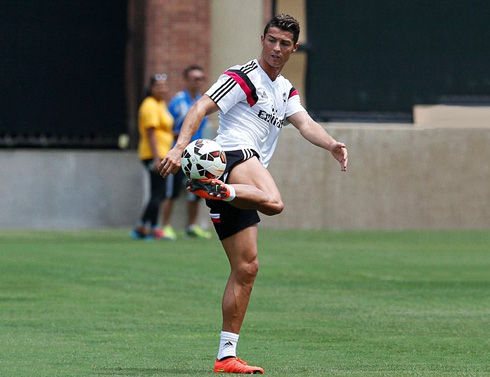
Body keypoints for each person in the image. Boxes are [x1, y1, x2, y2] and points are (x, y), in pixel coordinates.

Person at [159, 14, 348, 374]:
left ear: (294, 48)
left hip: (236, 179)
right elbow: (201, 106)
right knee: (274, 202)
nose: (276, 49)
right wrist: (178, 148)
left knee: (246, 268)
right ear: (262, 39)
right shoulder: (244, 77)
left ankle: (225, 356)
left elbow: (305, 123)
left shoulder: (285, 89)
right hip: (233, 155)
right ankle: (219, 189)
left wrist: (331, 145)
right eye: (271, 40)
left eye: (284, 44)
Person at [161, 65, 212, 240]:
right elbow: (167, 126)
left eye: (201, 79)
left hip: (196, 155)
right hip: (178, 152)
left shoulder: (202, 101)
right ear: (186, 80)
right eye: (195, 79)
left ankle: (191, 225)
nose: (198, 82)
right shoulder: (178, 101)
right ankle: (165, 226)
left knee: (196, 191)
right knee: (171, 191)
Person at [131, 74, 174, 240]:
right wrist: (157, 158)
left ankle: (142, 227)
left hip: (163, 153)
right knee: (158, 192)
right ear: (151, 88)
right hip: (153, 155)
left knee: (159, 192)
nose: (162, 88)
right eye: (159, 85)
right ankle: (154, 228)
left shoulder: (161, 104)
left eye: (164, 85)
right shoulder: (149, 105)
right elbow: (150, 133)